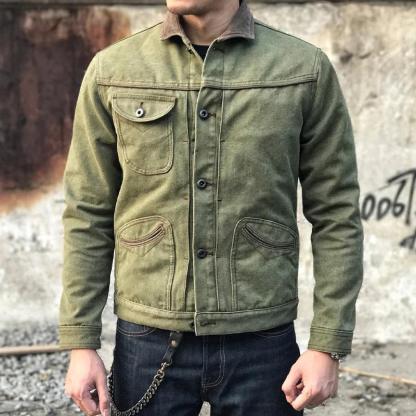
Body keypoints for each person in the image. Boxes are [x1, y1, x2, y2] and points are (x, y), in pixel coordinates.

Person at [59, 0, 364, 415]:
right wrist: (81, 343)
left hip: (262, 339)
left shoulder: (302, 69)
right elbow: (88, 212)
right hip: (148, 338)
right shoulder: (114, 70)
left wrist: (327, 345)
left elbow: (336, 214)